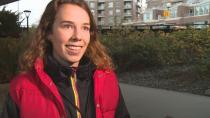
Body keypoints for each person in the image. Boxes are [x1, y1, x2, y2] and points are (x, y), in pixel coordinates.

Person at [1, 0, 130, 118]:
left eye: (85, 27)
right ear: (48, 32)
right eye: (67, 26)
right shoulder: (21, 88)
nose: (78, 36)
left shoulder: (108, 80)